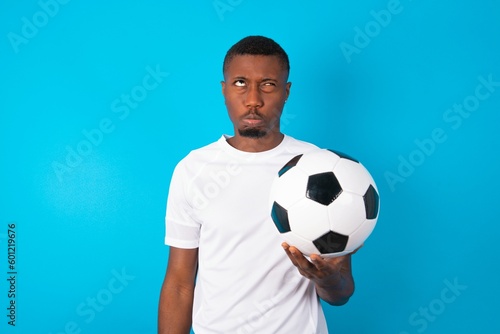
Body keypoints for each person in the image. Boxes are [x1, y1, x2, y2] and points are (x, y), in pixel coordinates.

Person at [158, 35, 356, 334]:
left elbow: (340, 293)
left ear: (286, 91)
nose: (253, 100)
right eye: (240, 83)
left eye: (268, 84)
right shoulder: (193, 169)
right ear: (223, 90)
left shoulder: (321, 167)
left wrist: (326, 279)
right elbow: (180, 283)